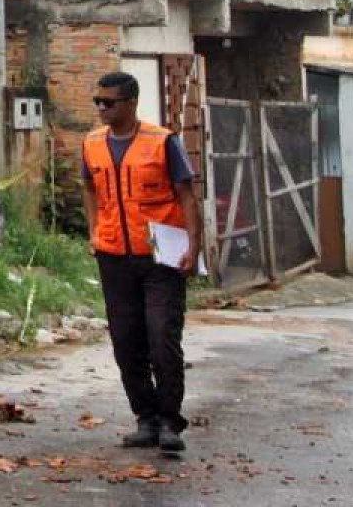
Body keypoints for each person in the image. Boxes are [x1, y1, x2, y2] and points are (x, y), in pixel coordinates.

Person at [81, 71, 204, 456]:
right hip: (114, 256)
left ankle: (170, 421)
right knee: (126, 342)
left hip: (160, 258)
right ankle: (145, 419)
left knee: (162, 338)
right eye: (97, 102)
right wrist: (93, 231)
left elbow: (187, 195)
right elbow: (88, 188)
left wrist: (194, 246)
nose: (102, 108)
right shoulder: (92, 143)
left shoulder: (162, 141)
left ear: (131, 103)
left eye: (109, 102)